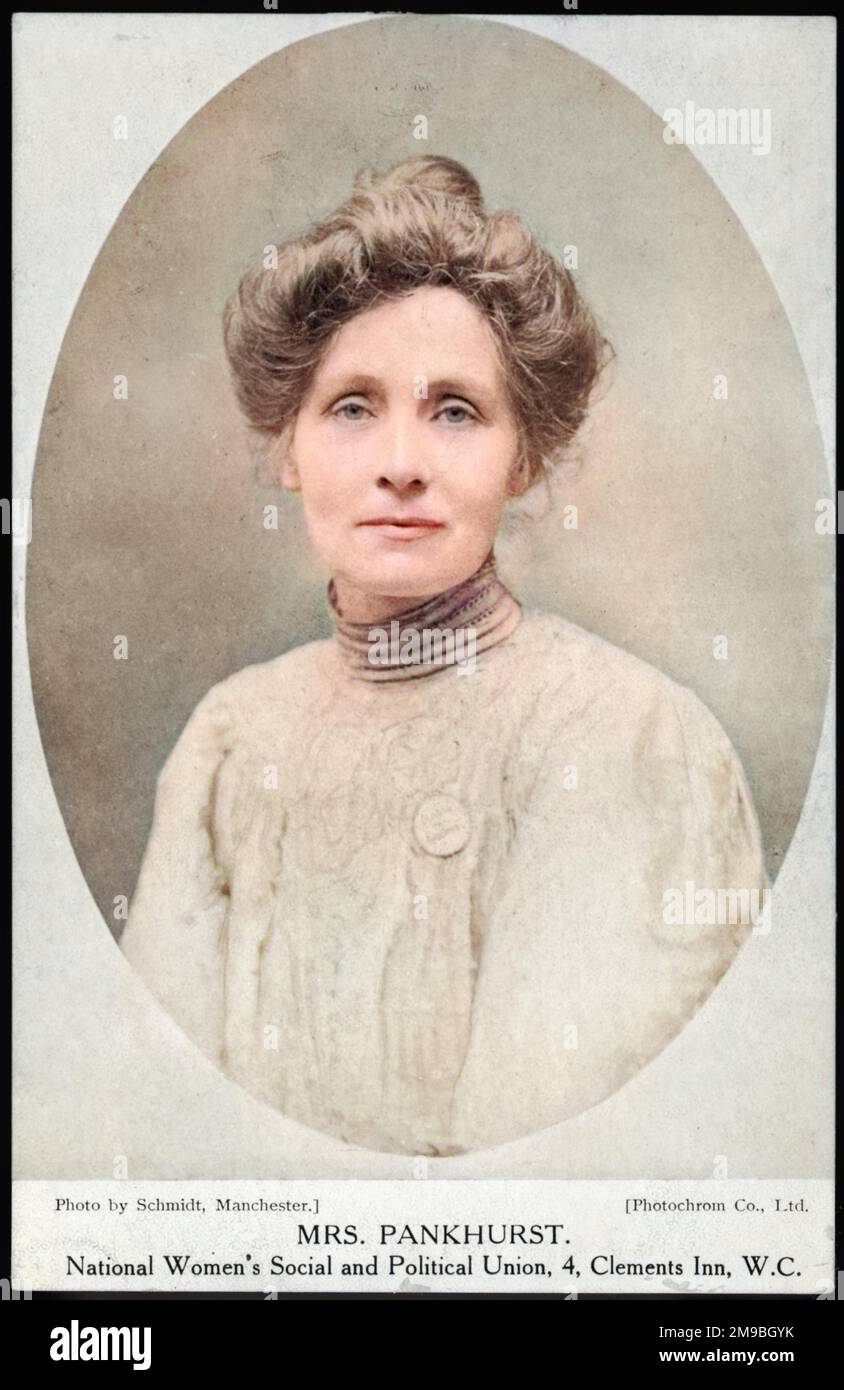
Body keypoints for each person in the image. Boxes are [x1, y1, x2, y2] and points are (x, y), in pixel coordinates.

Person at [120, 155, 768, 1157]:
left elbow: (548, 1167)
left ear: (525, 456)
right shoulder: (229, 738)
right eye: (351, 406)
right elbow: (159, 1134)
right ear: (287, 447)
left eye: (455, 411)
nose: (401, 462)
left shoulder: (624, 737)